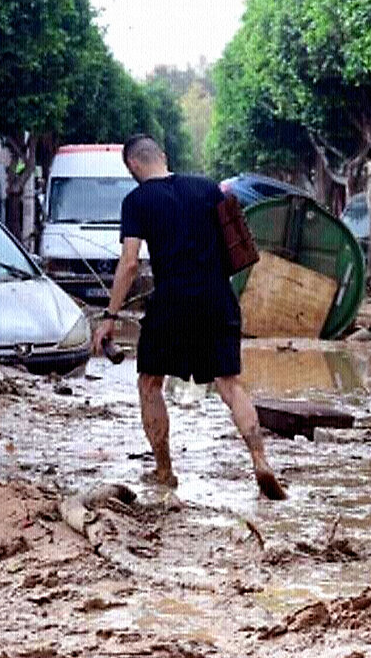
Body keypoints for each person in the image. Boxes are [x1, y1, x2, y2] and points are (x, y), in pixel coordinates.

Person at [92, 135, 287, 500]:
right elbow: (237, 243)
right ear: (163, 157)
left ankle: (164, 471)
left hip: (171, 303)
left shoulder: (136, 201)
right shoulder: (207, 188)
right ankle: (260, 461)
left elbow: (130, 263)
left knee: (150, 383)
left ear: (133, 166)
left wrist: (110, 315)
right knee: (230, 386)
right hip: (217, 297)